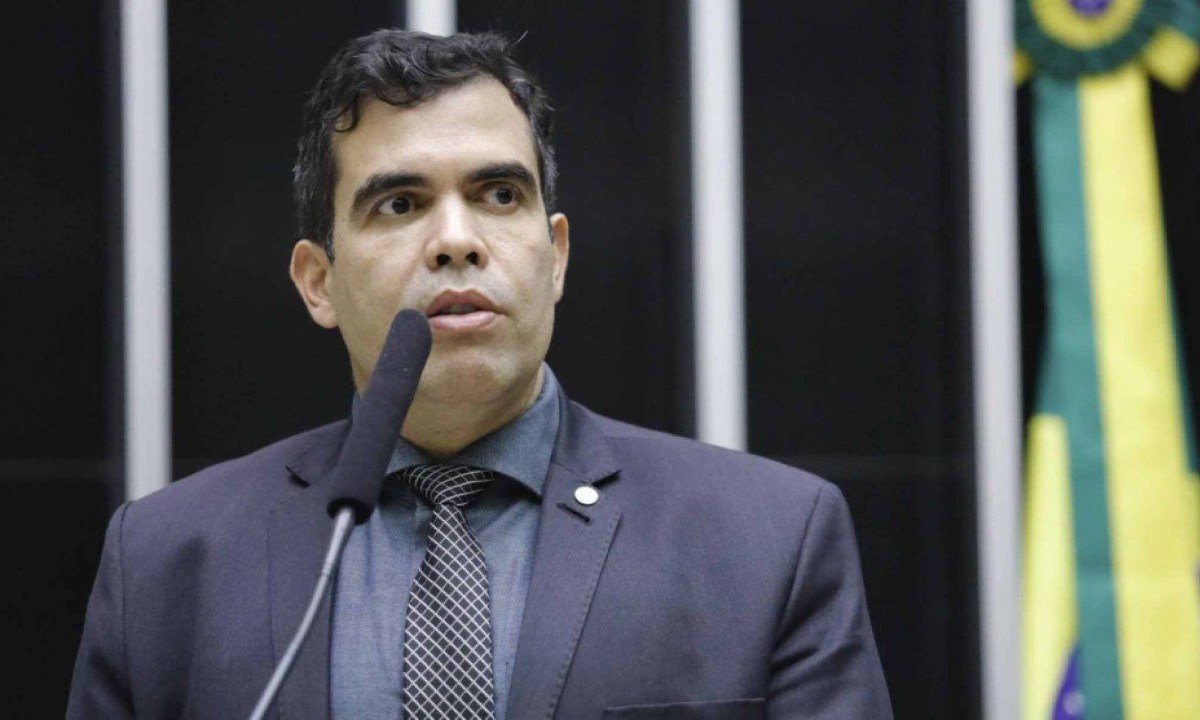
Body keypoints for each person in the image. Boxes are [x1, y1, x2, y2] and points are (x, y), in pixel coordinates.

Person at [67, 29, 891, 719]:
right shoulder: (168, 562)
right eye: (399, 204)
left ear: (555, 255)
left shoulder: (768, 541)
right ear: (318, 282)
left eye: (499, 195)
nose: (457, 241)